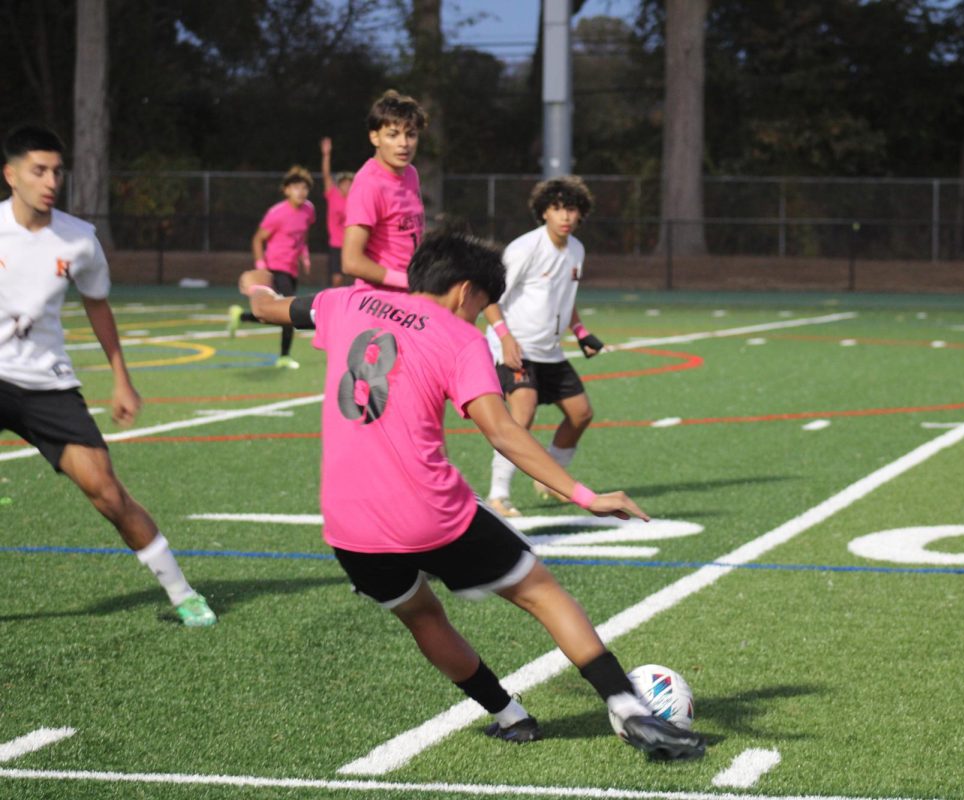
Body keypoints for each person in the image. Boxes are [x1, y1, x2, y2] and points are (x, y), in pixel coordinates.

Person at [237, 232, 704, 761]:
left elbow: (267, 307)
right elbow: (503, 432)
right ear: (464, 292)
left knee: (422, 617)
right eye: (483, 304)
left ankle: (510, 717)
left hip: (349, 526)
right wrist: (583, 494)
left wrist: (255, 284)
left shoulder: (343, 301)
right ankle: (628, 706)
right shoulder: (459, 339)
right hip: (430, 512)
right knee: (541, 592)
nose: (480, 314)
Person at [0, 124, 216, 627]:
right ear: (11, 175)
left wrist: (122, 378)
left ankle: (183, 594)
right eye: (38, 170)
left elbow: (97, 308)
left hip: (46, 385)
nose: (51, 179)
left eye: (57, 170)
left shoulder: (79, 240)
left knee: (107, 492)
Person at [483, 176, 607, 518]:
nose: (565, 216)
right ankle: (498, 495)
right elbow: (489, 296)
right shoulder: (525, 248)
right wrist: (505, 338)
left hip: (549, 351)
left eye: (572, 209)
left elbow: (567, 298)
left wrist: (581, 332)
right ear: (543, 212)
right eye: (557, 209)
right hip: (516, 347)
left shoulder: (577, 250)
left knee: (581, 413)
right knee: (522, 413)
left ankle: (549, 477)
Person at [226, 166, 316, 369]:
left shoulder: (309, 210)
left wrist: (305, 254)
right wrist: (261, 267)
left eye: (304, 188)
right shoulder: (276, 213)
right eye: (296, 188)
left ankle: (241, 316)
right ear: (286, 190)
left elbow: (303, 234)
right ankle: (284, 356)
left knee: (275, 311)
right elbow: (258, 239)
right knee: (289, 309)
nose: (300, 192)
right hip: (275, 268)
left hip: (291, 268)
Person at [340, 90, 426, 291]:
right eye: (393, 135)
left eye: (411, 134)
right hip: (380, 302)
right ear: (375, 137)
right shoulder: (369, 185)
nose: (404, 144)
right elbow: (351, 261)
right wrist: (406, 281)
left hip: (411, 295)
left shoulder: (411, 173)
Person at [319, 137, 353, 287]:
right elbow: (326, 175)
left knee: (355, 278)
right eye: (344, 184)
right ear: (339, 185)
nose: (347, 186)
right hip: (336, 245)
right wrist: (326, 155)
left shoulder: (357, 199)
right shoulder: (333, 195)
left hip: (353, 244)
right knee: (336, 279)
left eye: (350, 184)